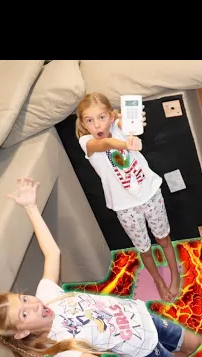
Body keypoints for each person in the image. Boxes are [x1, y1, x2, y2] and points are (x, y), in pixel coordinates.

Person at [0, 177, 202, 357]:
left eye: (24, 299)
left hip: (142, 317)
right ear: (22, 332)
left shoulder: (46, 295)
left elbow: (52, 252)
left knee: (193, 343)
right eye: (24, 314)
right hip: (142, 348)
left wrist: (30, 207)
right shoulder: (61, 347)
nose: (33, 304)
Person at [75, 92, 180, 303]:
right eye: (89, 120)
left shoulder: (119, 126)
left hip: (150, 194)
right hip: (125, 207)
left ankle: (175, 275)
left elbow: (125, 126)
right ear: (83, 124)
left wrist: (132, 124)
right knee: (144, 248)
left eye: (101, 117)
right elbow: (105, 144)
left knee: (164, 239)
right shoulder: (86, 141)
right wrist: (125, 145)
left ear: (110, 116)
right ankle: (158, 281)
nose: (97, 125)